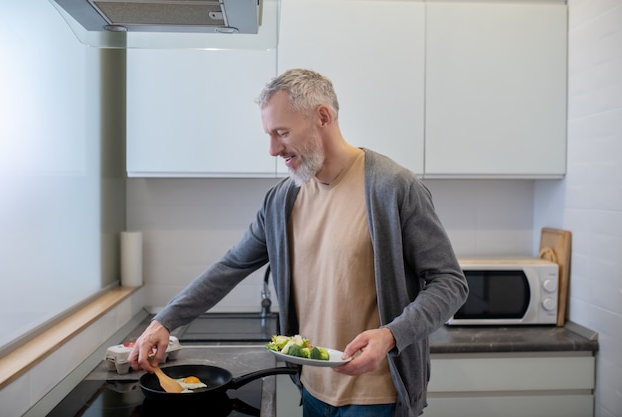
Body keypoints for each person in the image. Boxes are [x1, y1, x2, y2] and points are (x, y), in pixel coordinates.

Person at [128, 68, 468, 417]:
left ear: (323, 116)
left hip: (377, 396)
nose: (274, 149)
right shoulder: (281, 201)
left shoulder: (393, 188)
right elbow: (231, 266)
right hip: (312, 390)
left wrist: (391, 335)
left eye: (282, 133)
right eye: (269, 135)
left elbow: (450, 284)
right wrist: (165, 321)